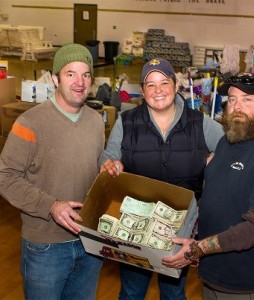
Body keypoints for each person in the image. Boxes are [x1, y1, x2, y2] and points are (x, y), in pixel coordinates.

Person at [162, 73, 254, 299]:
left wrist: (198, 248)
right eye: (233, 99)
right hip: (214, 274)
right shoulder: (228, 141)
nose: (237, 107)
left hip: (247, 283)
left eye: (247, 100)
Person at [100, 58, 224, 300]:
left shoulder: (200, 123)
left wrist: (216, 162)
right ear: (143, 90)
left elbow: (231, 151)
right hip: (136, 224)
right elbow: (109, 156)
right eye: (150, 85)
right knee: (132, 291)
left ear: (176, 86)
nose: (158, 91)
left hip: (180, 227)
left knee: (174, 292)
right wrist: (109, 165)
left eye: (164, 83)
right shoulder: (127, 122)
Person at [0, 43, 105, 300]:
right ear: (56, 78)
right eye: (71, 74)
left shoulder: (95, 120)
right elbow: (6, 177)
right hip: (45, 246)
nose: (80, 82)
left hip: (90, 241)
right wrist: (51, 205)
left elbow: (94, 170)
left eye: (86, 74)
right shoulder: (30, 122)